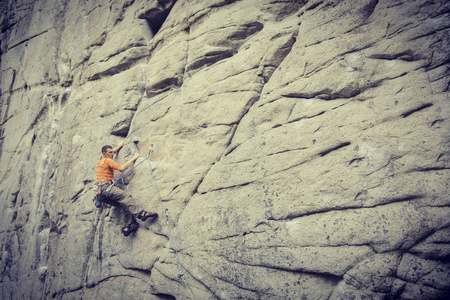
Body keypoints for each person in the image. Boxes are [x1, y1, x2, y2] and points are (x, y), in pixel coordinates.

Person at [95, 141, 158, 236]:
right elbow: (121, 168)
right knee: (126, 197)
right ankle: (141, 214)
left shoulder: (101, 160)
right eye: (110, 153)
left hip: (100, 193)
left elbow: (112, 151)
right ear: (104, 154)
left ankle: (126, 227)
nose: (112, 154)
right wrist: (134, 158)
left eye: (113, 152)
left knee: (123, 204)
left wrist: (120, 145)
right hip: (105, 187)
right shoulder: (108, 160)